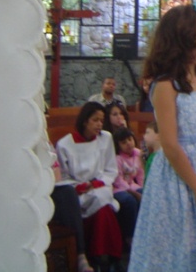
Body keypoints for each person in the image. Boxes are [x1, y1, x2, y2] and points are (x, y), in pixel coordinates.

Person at [128, 3, 196, 271]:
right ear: (181, 42)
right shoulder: (165, 85)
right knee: (179, 249)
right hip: (179, 179)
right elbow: (170, 145)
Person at [55, 101, 123, 271]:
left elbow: (111, 169)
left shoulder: (105, 138)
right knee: (103, 207)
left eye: (102, 120)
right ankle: (110, 256)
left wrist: (98, 183)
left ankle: (101, 256)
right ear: (85, 121)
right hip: (78, 192)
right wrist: (80, 187)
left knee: (103, 203)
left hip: (99, 187)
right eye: (95, 120)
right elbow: (63, 177)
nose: (99, 124)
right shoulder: (65, 144)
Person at [49, 142, 94, 272]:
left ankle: (80, 255)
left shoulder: (44, 142)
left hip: (49, 187)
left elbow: (56, 172)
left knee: (68, 193)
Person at [112, 128, 144, 250]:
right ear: (118, 145)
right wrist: (134, 192)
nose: (128, 144)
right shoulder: (117, 158)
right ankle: (130, 236)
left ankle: (143, 233)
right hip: (118, 188)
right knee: (129, 201)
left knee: (145, 195)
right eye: (124, 142)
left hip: (132, 185)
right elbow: (118, 180)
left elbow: (140, 174)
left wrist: (142, 189)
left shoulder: (138, 154)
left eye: (130, 139)